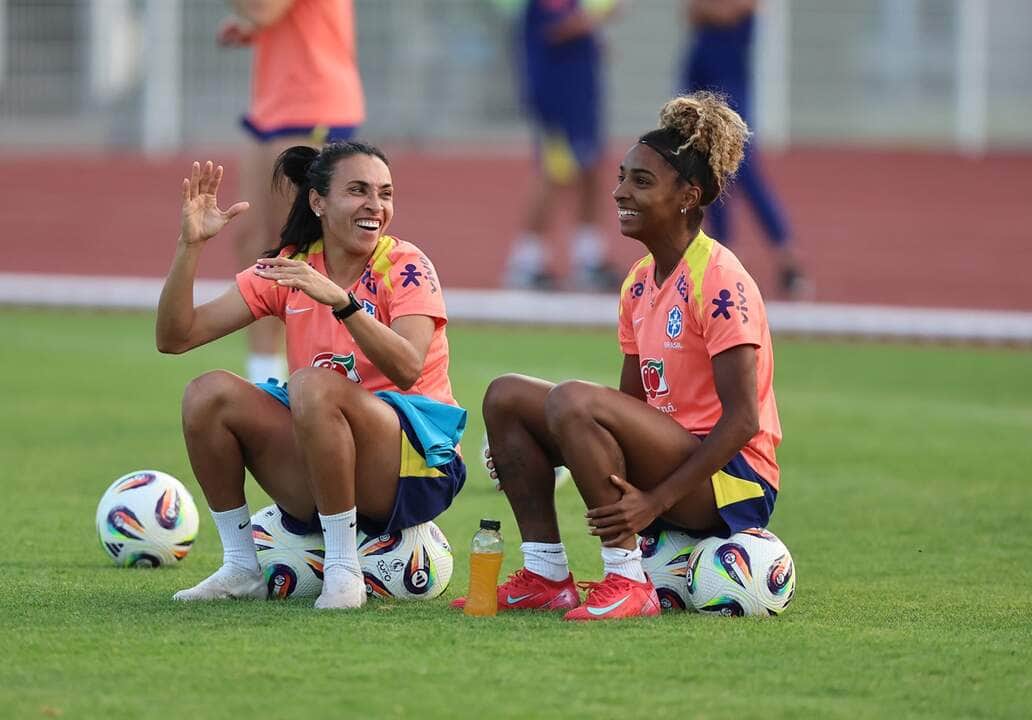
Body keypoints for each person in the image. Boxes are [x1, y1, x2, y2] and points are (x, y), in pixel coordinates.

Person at [455, 92, 782, 620]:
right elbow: (625, 412)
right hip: (672, 458)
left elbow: (743, 420)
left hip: (731, 481)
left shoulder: (720, 280)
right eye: (622, 177)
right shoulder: (637, 282)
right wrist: (533, 450)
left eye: (641, 181)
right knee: (507, 397)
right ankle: (545, 575)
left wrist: (656, 501)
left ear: (688, 196)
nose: (620, 192)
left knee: (573, 399)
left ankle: (628, 580)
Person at [156, 142, 466, 610]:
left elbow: (407, 368)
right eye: (358, 191)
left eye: (385, 193)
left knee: (311, 383)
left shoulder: (406, 265)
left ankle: (343, 570)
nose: (375, 206)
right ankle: (241, 567)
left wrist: (341, 302)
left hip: (416, 469)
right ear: (318, 202)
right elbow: (175, 337)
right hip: (326, 460)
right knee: (207, 394)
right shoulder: (293, 266)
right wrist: (190, 245)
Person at [217, 0, 365, 383]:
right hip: (273, 105)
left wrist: (253, 17)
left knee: (298, 246)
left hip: (313, 103)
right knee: (252, 238)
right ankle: (264, 373)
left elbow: (264, 9)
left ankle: (322, 369)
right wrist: (249, 25)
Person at [679, 0, 809, 297]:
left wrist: (711, 11)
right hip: (699, 73)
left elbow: (727, 11)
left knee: (743, 167)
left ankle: (787, 255)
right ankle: (718, 258)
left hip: (730, 78)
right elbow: (693, 12)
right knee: (705, 168)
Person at [503, 0, 623, 291]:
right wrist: (597, 14)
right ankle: (525, 261)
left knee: (590, 172)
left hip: (580, 94)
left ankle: (588, 257)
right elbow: (556, 27)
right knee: (554, 174)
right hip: (558, 98)